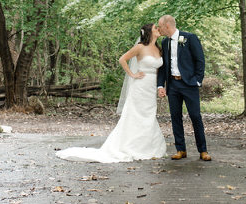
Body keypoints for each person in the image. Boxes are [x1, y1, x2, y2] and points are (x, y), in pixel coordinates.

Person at [55, 23, 167, 163]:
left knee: (149, 115)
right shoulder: (140, 47)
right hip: (140, 86)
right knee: (135, 115)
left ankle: (147, 147)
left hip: (151, 87)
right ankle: (130, 146)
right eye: (156, 27)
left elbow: (159, 69)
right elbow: (122, 59)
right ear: (149, 31)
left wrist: (160, 86)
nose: (158, 29)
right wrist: (132, 74)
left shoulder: (158, 48)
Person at [156, 15, 211, 161]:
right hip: (173, 85)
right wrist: (161, 85)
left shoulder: (189, 38)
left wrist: (197, 80)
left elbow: (200, 60)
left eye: (159, 26)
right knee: (175, 117)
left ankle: (203, 150)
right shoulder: (165, 42)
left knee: (195, 116)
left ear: (167, 26)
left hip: (189, 84)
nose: (158, 29)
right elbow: (163, 66)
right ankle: (181, 149)